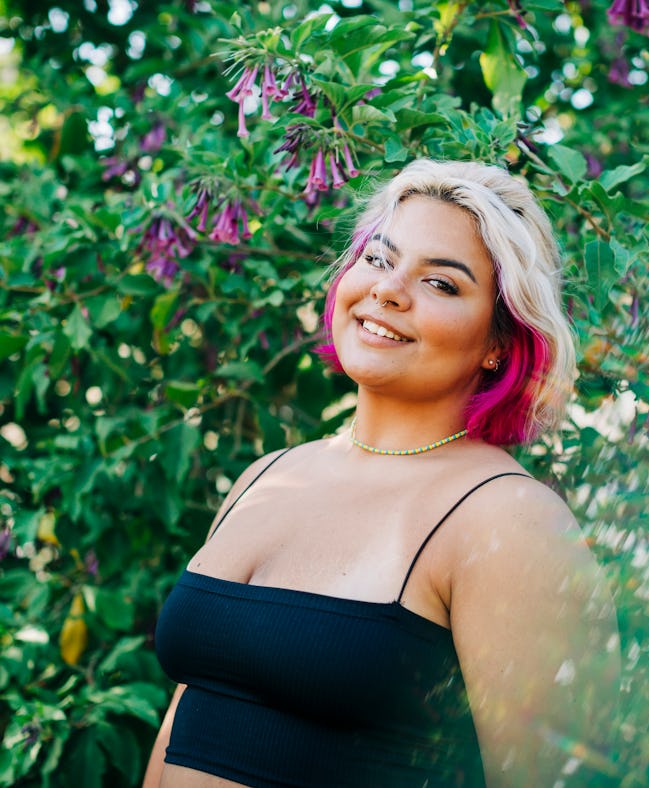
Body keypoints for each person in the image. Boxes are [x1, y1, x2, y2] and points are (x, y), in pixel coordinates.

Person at [143, 159, 620, 788]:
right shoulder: (269, 475)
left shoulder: (505, 518)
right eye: (378, 258)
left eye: (443, 284)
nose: (389, 290)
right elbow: (190, 709)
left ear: (498, 342)